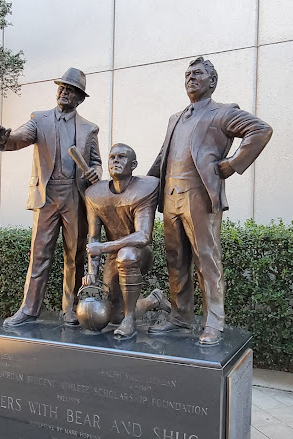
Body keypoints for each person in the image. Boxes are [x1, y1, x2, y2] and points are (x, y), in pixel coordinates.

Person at [147, 57, 273, 345]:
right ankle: (179, 317)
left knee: (207, 259)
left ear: (212, 81)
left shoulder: (223, 112)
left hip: (199, 195)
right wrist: (144, 187)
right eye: (188, 74)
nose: (191, 78)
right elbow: (162, 157)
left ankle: (214, 322)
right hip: (170, 195)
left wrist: (232, 163)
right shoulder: (175, 117)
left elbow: (261, 130)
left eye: (198, 73)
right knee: (176, 260)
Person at [0, 68, 102, 327]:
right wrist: (6, 137)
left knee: (74, 256)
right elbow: (19, 137)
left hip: (75, 197)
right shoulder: (39, 119)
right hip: (47, 196)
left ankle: (70, 309)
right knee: (39, 254)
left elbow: (96, 162)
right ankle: (29, 309)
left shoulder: (89, 128)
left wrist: (95, 172)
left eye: (70, 90)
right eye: (62, 87)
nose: (64, 92)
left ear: (80, 98)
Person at [82, 143, 170, 339]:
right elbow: (93, 238)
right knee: (113, 316)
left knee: (127, 254)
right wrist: (91, 272)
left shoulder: (145, 188)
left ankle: (129, 320)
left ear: (134, 164)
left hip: (138, 252)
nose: (115, 160)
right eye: (112, 157)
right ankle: (153, 300)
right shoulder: (95, 194)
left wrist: (103, 247)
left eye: (121, 157)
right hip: (113, 254)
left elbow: (142, 236)